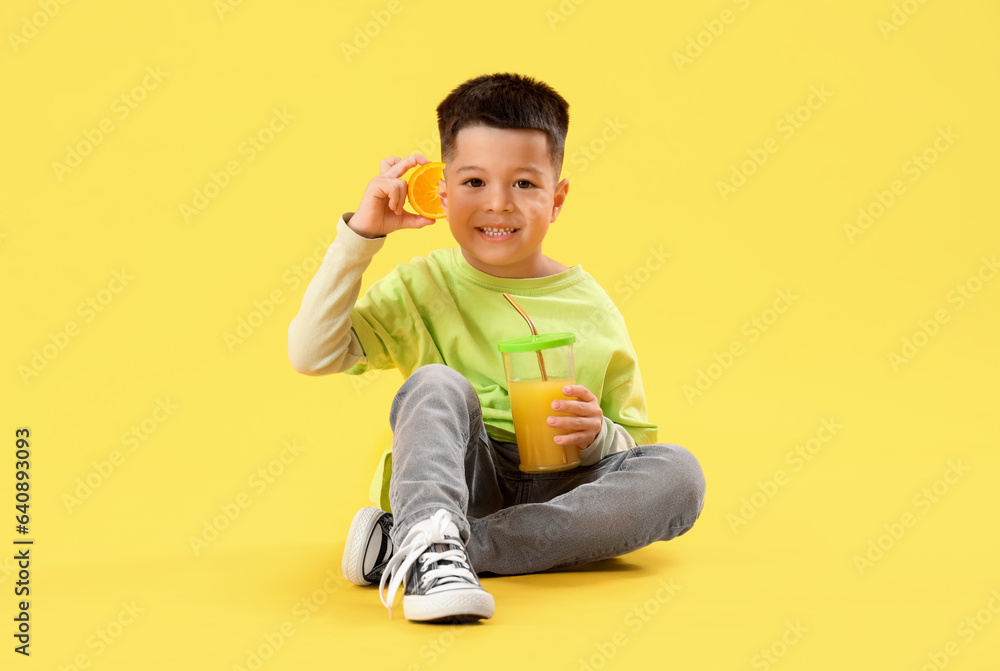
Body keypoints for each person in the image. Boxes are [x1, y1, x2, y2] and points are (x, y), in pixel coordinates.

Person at [287, 72, 706, 624]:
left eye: (525, 185)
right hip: (462, 478)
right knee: (436, 382)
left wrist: (597, 433)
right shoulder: (423, 286)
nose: (499, 205)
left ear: (556, 200)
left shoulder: (593, 307)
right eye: (474, 182)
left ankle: (426, 549)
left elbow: (631, 444)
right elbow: (312, 353)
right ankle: (433, 532)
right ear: (441, 192)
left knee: (679, 475)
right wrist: (362, 236)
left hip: (562, 492)